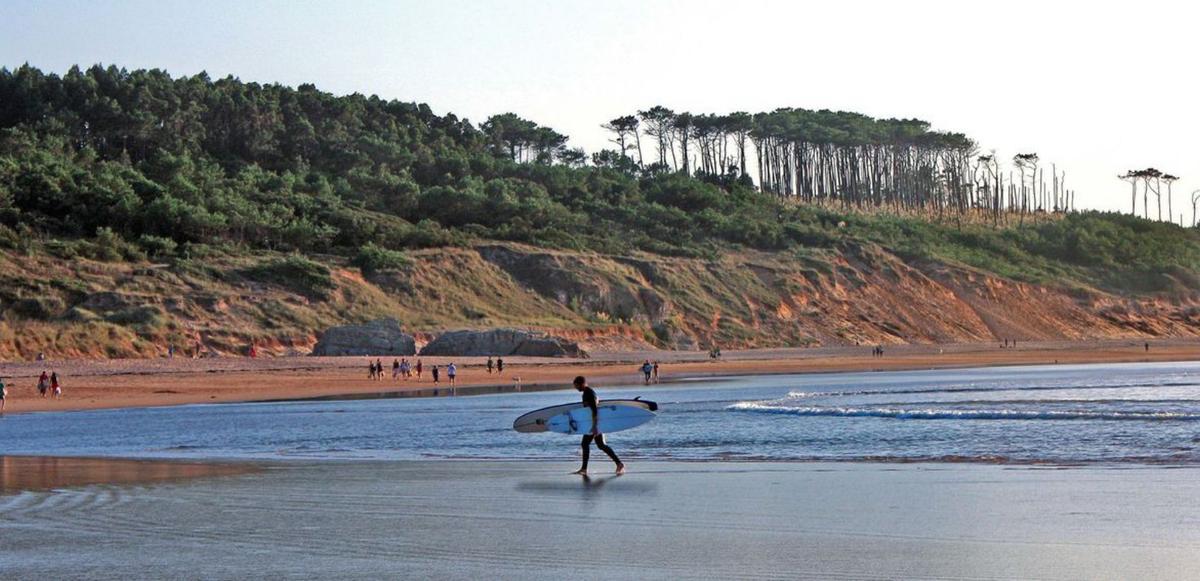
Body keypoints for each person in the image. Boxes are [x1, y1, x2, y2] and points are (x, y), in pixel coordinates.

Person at [571, 376, 624, 475]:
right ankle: (619, 463)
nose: (576, 388)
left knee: (585, 444)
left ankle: (584, 469)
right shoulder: (586, 393)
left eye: (576, 386)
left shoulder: (589, 393)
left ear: (581, 383)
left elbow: (595, 410)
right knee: (601, 445)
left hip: (594, 423)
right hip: (593, 423)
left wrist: (595, 426)